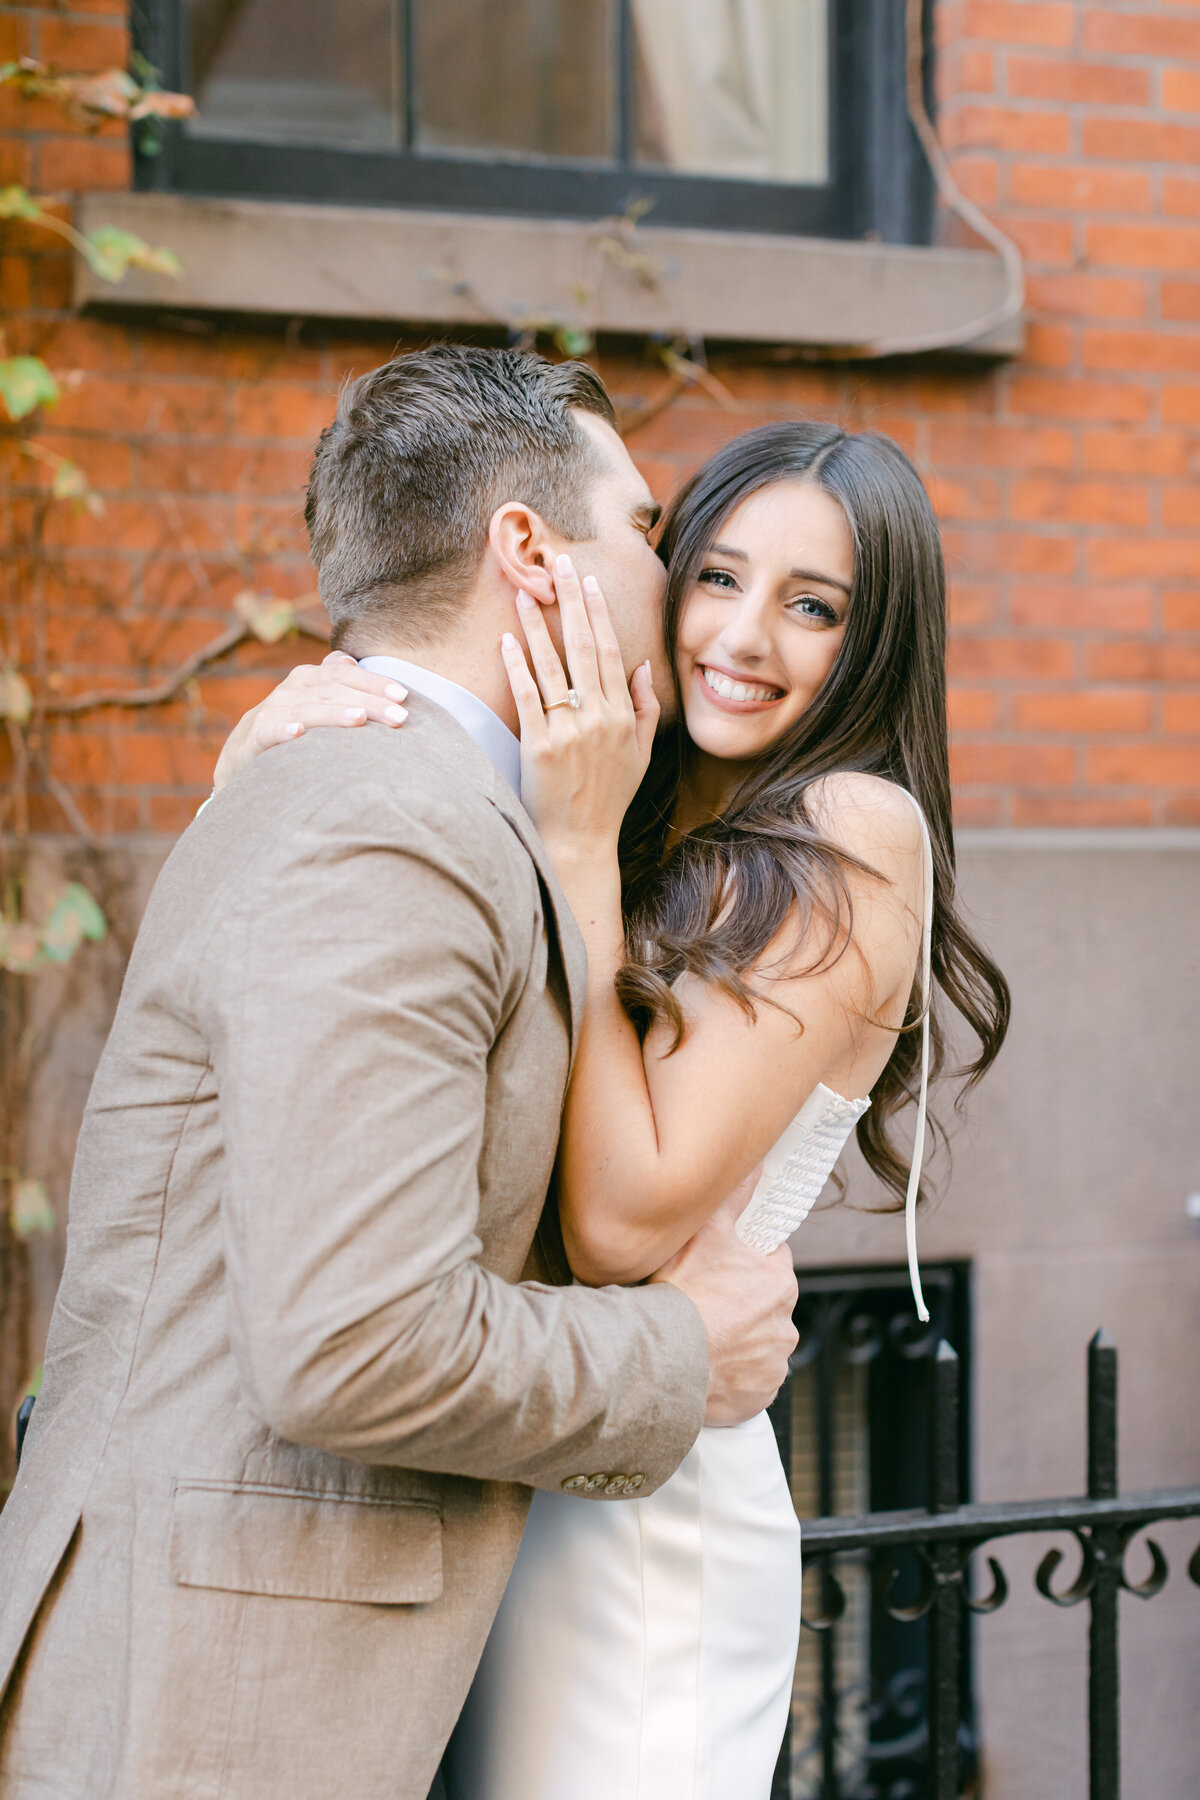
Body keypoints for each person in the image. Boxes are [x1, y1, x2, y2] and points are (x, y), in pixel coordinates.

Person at [0, 347, 801, 1800]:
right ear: (528, 553)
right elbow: (356, 1341)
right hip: (213, 1713)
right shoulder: (394, 824)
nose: (672, 576)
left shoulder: (378, 791)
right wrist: (690, 1353)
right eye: (645, 527)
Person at [215, 406, 1010, 1798]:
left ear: (872, 643)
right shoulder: (634, 795)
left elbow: (626, 1219)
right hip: (511, 1465)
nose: (743, 637)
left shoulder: (849, 834)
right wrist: (285, 736)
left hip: (646, 1525)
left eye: (812, 606)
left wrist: (579, 852)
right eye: (718, 576)